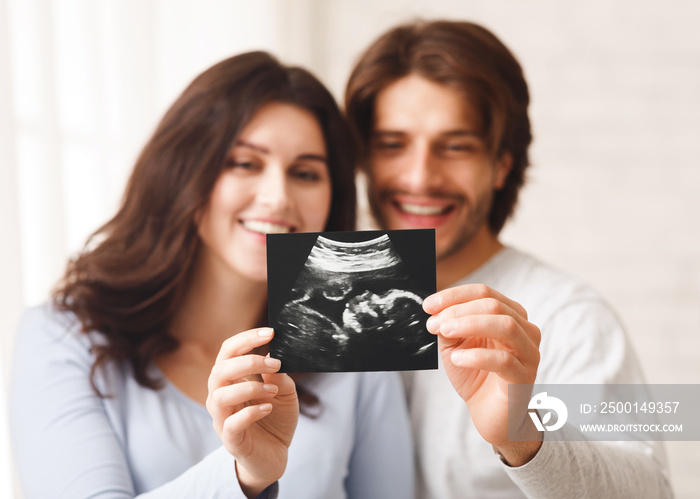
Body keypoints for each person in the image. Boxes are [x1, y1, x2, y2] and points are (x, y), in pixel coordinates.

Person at [9, 51, 413, 499]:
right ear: (183, 172)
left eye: (305, 173)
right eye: (245, 163)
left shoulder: (356, 356)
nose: (278, 197)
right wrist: (242, 476)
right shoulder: (62, 336)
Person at [345, 19, 673, 498]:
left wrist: (524, 435)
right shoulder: (328, 302)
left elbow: (652, 490)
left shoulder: (569, 318)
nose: (419, 177)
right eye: (392, 145)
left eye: (455, 147)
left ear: (501, 163)